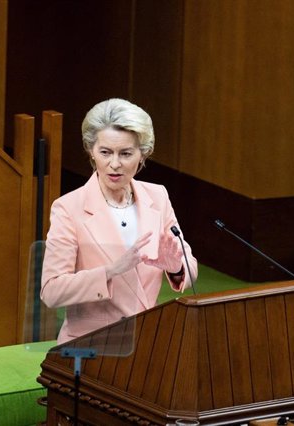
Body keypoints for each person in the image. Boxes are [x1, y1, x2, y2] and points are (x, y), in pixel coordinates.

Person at [40, 98, 198, 344]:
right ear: (91, 151)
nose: (114, 164)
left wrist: (175, 266)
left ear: (143, 154)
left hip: (148, 342)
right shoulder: (68, 208)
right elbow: (51, 291)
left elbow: (189, 265)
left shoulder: (157, 196)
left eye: (125, 153)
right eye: (105, 152)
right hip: (92, 346)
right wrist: (111, 271)